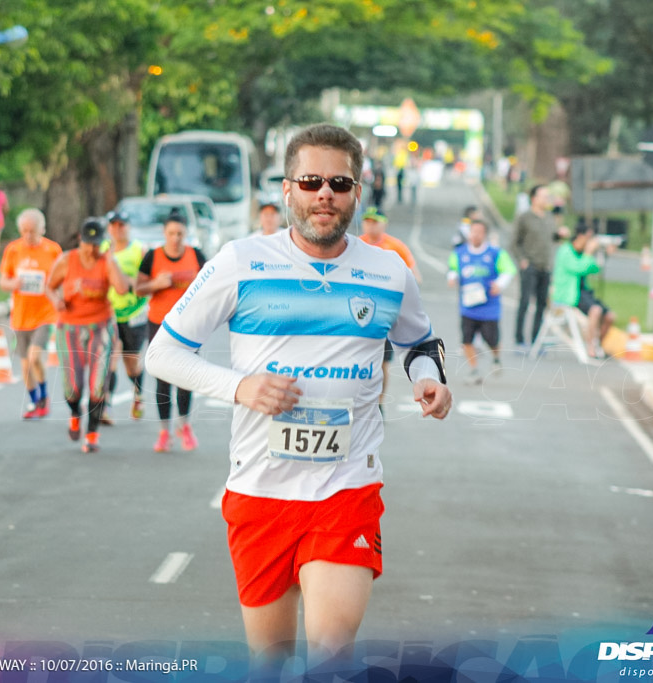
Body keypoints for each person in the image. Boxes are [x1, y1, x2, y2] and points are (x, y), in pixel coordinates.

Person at [144, 124, 452, 669]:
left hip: (346, 487)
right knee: (271, 662)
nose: (325, 193)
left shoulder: (388, 270)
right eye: (311, 181)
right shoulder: (240, 261)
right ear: (287, 190)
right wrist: (241, 387)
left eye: (339, 181)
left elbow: (418, 341)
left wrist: (427, 376)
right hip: (260, 490)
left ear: (358, 191)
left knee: (332, 653)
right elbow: (163, 354)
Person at [45, 217, 130, 453]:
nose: (93, 249)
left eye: (97, 243)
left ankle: (92, 434)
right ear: (80, 240)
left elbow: (122, 289)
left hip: (101, 326)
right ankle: (75, 413)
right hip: (70, 327)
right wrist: (57, 300)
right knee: (72, 387)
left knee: (98, 384)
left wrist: (111, 259)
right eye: (89, 243)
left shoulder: (105, 262)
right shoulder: (67, 260)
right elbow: (49, 287)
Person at [135, 211, 207, 452]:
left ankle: (184, 425)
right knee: (163, 378)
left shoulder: (195, 256)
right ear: (164, 234)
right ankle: (164, 431)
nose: (175, 238)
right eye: (171, 234)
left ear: (186, 235)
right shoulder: (152, 257)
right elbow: (138, 289)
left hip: (189, 327)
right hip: (160, 324)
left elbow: (212, 287)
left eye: (180, 234)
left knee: (186, 378)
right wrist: (156, 284)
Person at [0, 208, 62, 419]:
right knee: (25, 366)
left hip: (45, 315)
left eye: (32, 231)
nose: (28, 235)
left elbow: (62, 280)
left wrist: (51, 288)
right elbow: (3, 281)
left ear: (42, 229)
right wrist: (13, 283)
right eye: (24, 231)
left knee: (35, 357)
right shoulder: (13, 250)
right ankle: (36, 402)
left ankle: (44, 397)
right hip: (20, 317)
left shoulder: (53, 250)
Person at [359, 206, 422, 410]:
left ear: (384, 224)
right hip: (358, 314)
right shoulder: (355, 246)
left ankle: (379, 402)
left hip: (385, 314)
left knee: (383, 363)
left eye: (375, 221)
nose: (370, 225)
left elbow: (414, 276)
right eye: (367, 221)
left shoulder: (396, 247)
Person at [447, 219, 517, 384]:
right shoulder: (460, 253)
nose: (476, 235)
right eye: (473, 231)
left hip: (489, 307)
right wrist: (452, 277)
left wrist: (499, 284)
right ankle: (474, 369)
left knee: (491, 339)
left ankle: (496, 357)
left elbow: (509, 270)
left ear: (485, 235)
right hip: (468, 306)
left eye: (479, 232)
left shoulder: (495, 253)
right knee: (467, 340)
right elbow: (452, 269)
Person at [102, 211, 149, 423]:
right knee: (110, 359)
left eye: (122, 225)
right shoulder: (103, 250)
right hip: (109, 313)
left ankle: (138, 394)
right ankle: (106, 405)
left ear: (128, 227)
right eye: (113, 225)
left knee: (131, 363)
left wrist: (127, 281)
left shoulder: (139, 250)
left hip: (134, 313)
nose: (117, 229)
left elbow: (147, 281)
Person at [512, 184, 568, 349]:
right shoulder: (525, 218)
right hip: (530, 265)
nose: (546, 199)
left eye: (548, 196)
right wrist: (522, 259)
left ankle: (536, 339)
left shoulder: (550, 217)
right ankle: (519, 339)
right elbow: (514, 242)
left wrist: (560, 235)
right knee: (525, 302)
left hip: (546, 267)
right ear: (534, 198)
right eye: (544, 196)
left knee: (542, 304)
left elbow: (552, 238)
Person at [551, 224, 616, 358]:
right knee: (595, 311)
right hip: (569, 294)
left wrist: (603, 255)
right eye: (589, 237)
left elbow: (595, 269)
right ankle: (590, 347)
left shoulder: (584, 254)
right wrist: (588, 253)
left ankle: (599, 345)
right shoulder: (566, 251)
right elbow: (579, 268)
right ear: (581, 237)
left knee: (610, 316)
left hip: (583, 292)